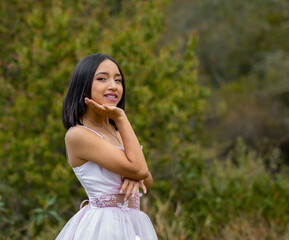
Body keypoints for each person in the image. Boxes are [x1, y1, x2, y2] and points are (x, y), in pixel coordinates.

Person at [56, 53, 158, 239]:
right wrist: (120, 117)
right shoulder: (79, 135)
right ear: (84, 88)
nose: (113, 85)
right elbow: (140, 169)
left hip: (134, 223)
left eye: (118, 80)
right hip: (104, 226)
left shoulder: (117, 131)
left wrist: (136, 175)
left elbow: (147, 180)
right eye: (102, 78)